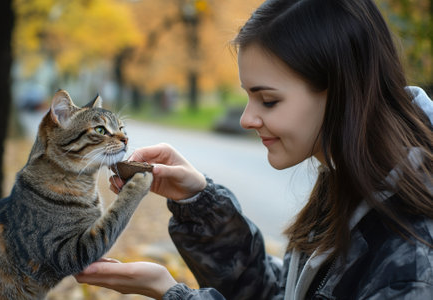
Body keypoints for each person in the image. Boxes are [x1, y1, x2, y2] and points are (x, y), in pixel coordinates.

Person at [75, 0, 433, 299]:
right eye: (248, 96)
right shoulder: (354, 176)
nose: (248, 119)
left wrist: (170, 292)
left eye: (269, 100)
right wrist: (198, 203)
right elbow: (285, 293)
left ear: (342, 90)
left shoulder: (413, 256)